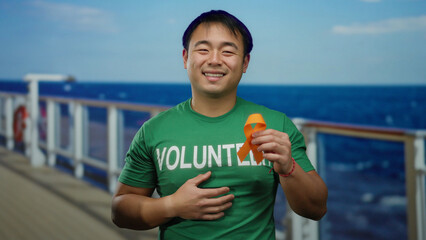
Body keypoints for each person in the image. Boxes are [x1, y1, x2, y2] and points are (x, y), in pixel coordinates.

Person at [111, 10, 327, 239]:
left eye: (227, 51)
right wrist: (171, 205)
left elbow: (316, 209)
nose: (214, 60)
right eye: (203, 49)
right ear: (185, 58)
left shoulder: (276, 125)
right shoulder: (154, 130)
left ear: (245, 62)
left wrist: (289, 167)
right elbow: (120, 211)